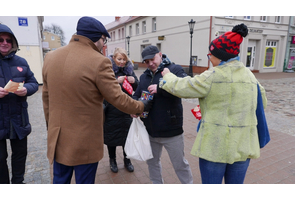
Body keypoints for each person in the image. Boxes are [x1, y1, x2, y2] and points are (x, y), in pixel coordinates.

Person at [42, 16, 152, 184]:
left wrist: (52, 127)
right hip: (84, 139)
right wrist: (140, 106)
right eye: (103, 39)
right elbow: (118, 98)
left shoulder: (50, 57)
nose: (104, 44)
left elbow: (46, 99)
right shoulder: (99, 61)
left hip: (58, 137)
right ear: (97, 38)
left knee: (60, 181)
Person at [160, 24, 267, 184]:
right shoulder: (250, 76)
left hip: (215, 147)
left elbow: (182, 87)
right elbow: (262, 103)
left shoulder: (212, 75)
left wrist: (167, 76)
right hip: (242, 146)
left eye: (210, 54)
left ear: (221, 56)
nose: (209, 57)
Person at [132, 45, 193, 184]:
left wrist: (160, 88)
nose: (150, 64)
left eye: (153, 59)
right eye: (147, 62)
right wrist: (134, 108)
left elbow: (185, 88)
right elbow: (136, 95)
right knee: (152, 163)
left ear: (160, 54)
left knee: (179, 165)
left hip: (172, 130)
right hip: (151, 130)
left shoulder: (174, 69)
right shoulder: (144, 76)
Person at [0, 23, 39, 184]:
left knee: (20, 154)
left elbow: (33, 82)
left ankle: (18, 184)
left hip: (18, 117)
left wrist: (26, 89)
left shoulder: (21, 61)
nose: (5, 42)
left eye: (8, 40)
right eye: (0, 39)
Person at [104, 48, 139, 173]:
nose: (122, 62)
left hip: (126, 110)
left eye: (124, 59)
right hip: (112, 110)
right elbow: (103, 87)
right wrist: (115, 81)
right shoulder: (107, 70)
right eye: (119, 59)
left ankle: (127, 160)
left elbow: (137, 87)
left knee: (126, 137)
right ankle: (112, 160)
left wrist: (134, 81)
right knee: (111, 137)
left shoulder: (129, 71)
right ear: (113, 58)